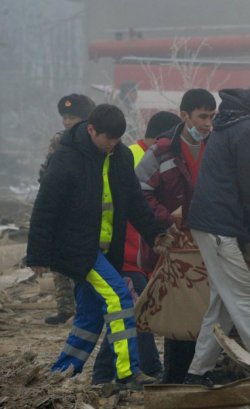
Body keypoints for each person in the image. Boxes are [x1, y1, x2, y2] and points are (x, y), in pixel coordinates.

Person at [26, 104, 173, 390]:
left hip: (105, 249)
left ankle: (60, 374)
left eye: (118, 140)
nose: (113, 145)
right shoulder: (66, 158)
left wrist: (155, 232)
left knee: (90, 317)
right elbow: (45, 207)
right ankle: (127, 372)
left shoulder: (120, 157)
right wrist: (37, 254)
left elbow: (135, 202)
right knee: (120, 298)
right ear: (91, 129)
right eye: (109, 139)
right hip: (77, 249)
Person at [184, 73, 250, 386]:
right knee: (247, 297)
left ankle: (196, 374)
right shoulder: (246, 130)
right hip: (219, 226)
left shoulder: (230, 121)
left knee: (223, 305)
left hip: (211, 222)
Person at [91, 110, 182, 386]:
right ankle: (111, 373)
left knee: (135, 312)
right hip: (128, 254)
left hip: (137, 251)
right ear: (161, 139)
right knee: (134, 311)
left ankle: (139, 368)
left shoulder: (128, 153)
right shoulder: (135, 157)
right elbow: (130, 210)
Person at [135, 89, 217, 384]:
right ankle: (174, 377)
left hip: (204, 244)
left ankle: (196, 374)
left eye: (211, 116)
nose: (208, 123)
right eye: (202, 116)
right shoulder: (162, 151)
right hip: (172, 245)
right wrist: (167, 217)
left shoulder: (215, 146)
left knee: (203, 308)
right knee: (178, 311)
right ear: (185, 116)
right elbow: (139, 192)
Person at [41, 93, 96, 326]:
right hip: (61, 208)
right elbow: (47, 171)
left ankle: (85, 308)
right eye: (65, 117)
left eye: (72, 117)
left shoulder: (96, 142)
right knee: (58, 261)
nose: (67, 122)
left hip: (86, 211)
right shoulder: (59, 140)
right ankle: (65, 308)